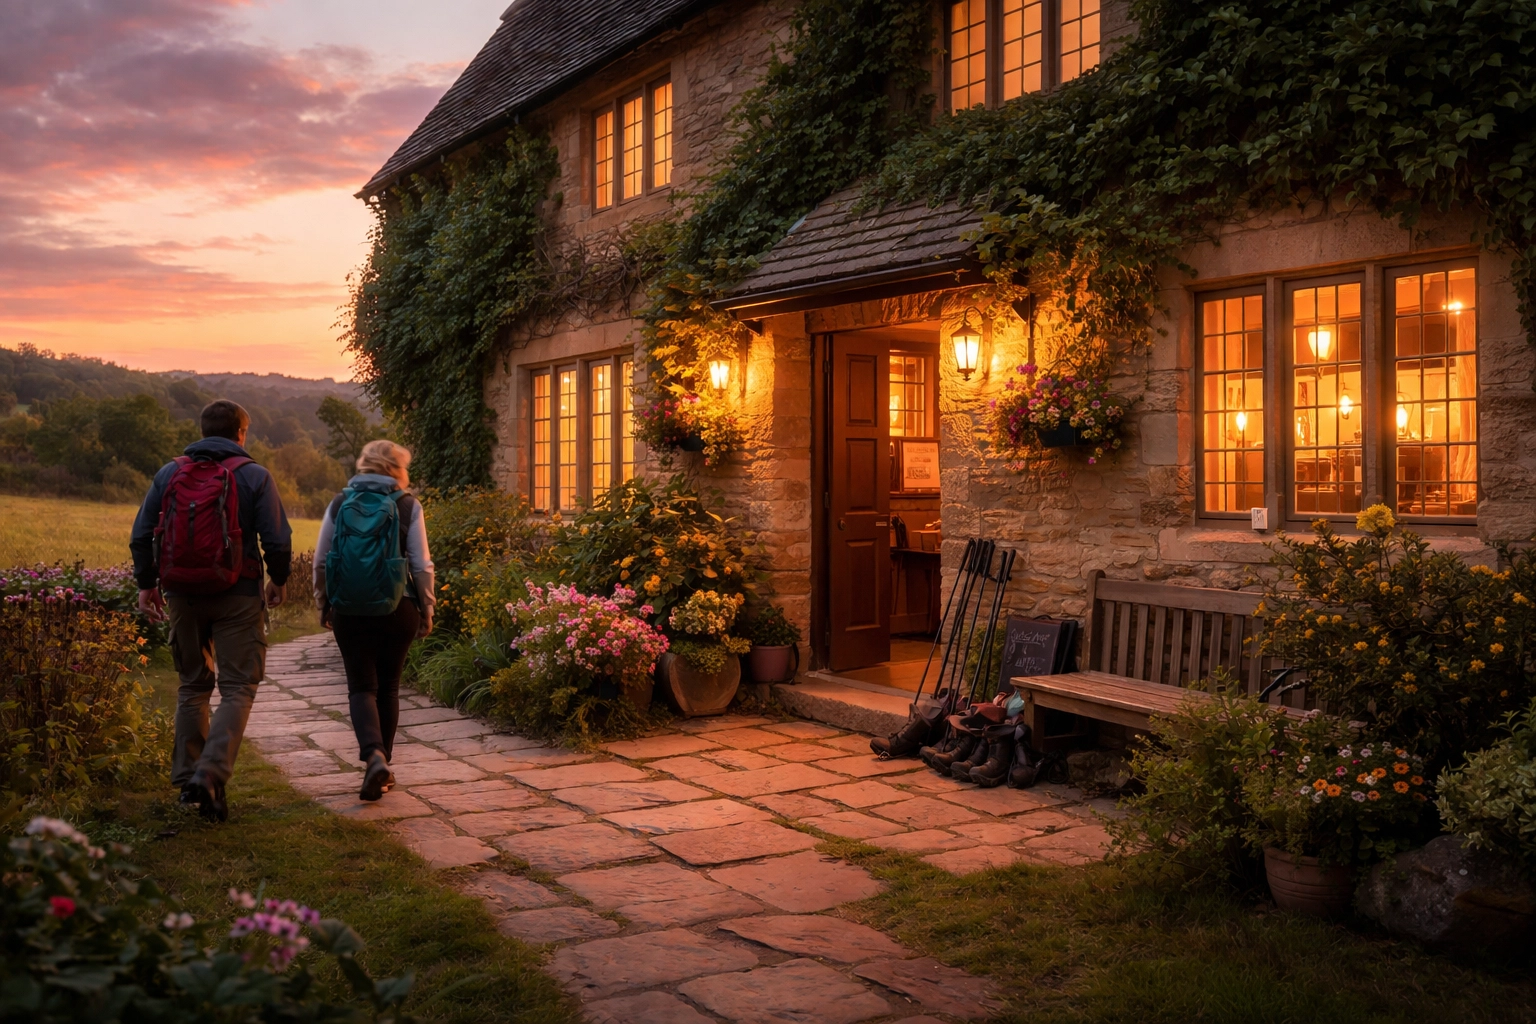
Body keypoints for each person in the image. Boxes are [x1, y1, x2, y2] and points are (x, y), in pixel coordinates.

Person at [130, 399, 292, 822]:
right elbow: (277, 539)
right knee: (238, 686)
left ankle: (190, 779)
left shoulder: (170, 473)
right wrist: (278, 578)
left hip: (181, 593)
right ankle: (210, 773)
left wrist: (147, 584)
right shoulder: (254, 475)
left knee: (192, 684)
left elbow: (141, 534)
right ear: (241, 434)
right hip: (238, 592)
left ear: (202, 431)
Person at [314, 440, 434, 801]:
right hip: (398, 608)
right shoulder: (408, 505)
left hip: (349, 610)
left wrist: (324, 603)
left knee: (361, 687)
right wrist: (427, 609)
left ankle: (374, 758)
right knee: (389, 687)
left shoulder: (340, 502)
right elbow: (421, 566)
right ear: (395, 469)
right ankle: (383, 768)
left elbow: (321, 560)